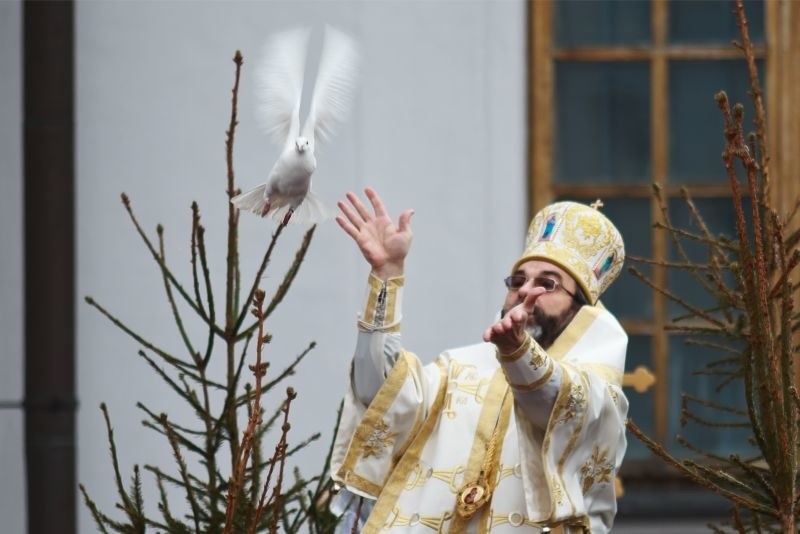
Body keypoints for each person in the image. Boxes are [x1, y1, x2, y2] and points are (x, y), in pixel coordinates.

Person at [330, 188, 628, 534]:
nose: (525, 290)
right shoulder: (454, 369)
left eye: (547, 284)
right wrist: (386, 277)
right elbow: (376, 393)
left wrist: (517, 352)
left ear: (579, 309)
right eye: (518, 280)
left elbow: (556, 402)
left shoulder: (597, 391)